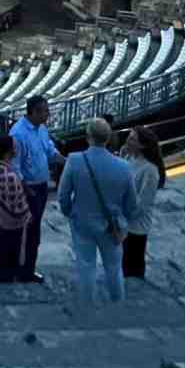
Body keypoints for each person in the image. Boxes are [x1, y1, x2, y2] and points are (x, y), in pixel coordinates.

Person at [56, 117, 138, 305]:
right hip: (112, 225)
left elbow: (63, 195)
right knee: (114, 268)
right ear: (108, 138)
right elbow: (132, 204)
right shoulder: (123, 166)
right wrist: (122, 219)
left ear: (88, 137)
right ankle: (118, 303)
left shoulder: (75, 160)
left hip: (82, 222)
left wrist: (70, 212)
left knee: (86, 267)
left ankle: (87, 306)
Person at [8, 95, 65, 283]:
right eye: (45, 110)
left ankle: (27, 268)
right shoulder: (18, 134)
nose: (48, 114)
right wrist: (25, 189)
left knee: (34, 232)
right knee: (27, 232)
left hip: (41, 187)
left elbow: (49, 150)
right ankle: (21, 270)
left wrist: (66, 160)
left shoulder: (41, 129)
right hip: (28, 189)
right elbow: (15, 166)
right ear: (33, 112)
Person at [0, 131, 31, 283]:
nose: (16, 150)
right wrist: (27, 214)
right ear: (10, 151)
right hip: (9, 221)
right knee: (8, 249)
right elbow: (17, 204)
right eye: (14, 147)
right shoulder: (9, 176)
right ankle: (4, 278)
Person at [121, 125, 166, 282]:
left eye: (132, 139)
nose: (128, 140)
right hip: (124, 223)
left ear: (142, 145)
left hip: (135, 227)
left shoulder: (150, 170)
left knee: (132, 269)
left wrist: (123, 214)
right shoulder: (130, 158)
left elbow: (142, 204)